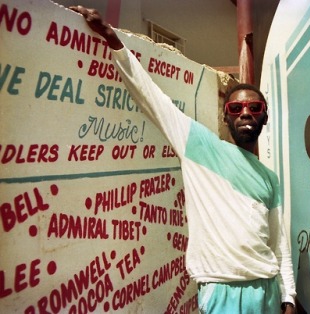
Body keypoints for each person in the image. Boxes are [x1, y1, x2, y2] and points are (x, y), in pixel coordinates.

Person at [69, 6, 296, 314]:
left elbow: (278, 244)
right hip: (221, 295)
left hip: (268, 292)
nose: (245, 113)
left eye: (254, 108)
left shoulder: (270, 179)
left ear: (264, 117)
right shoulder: (200, 147)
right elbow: (154, 100)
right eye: (236, 109)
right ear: (225, 116)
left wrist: (289, 297)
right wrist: (112, 39)